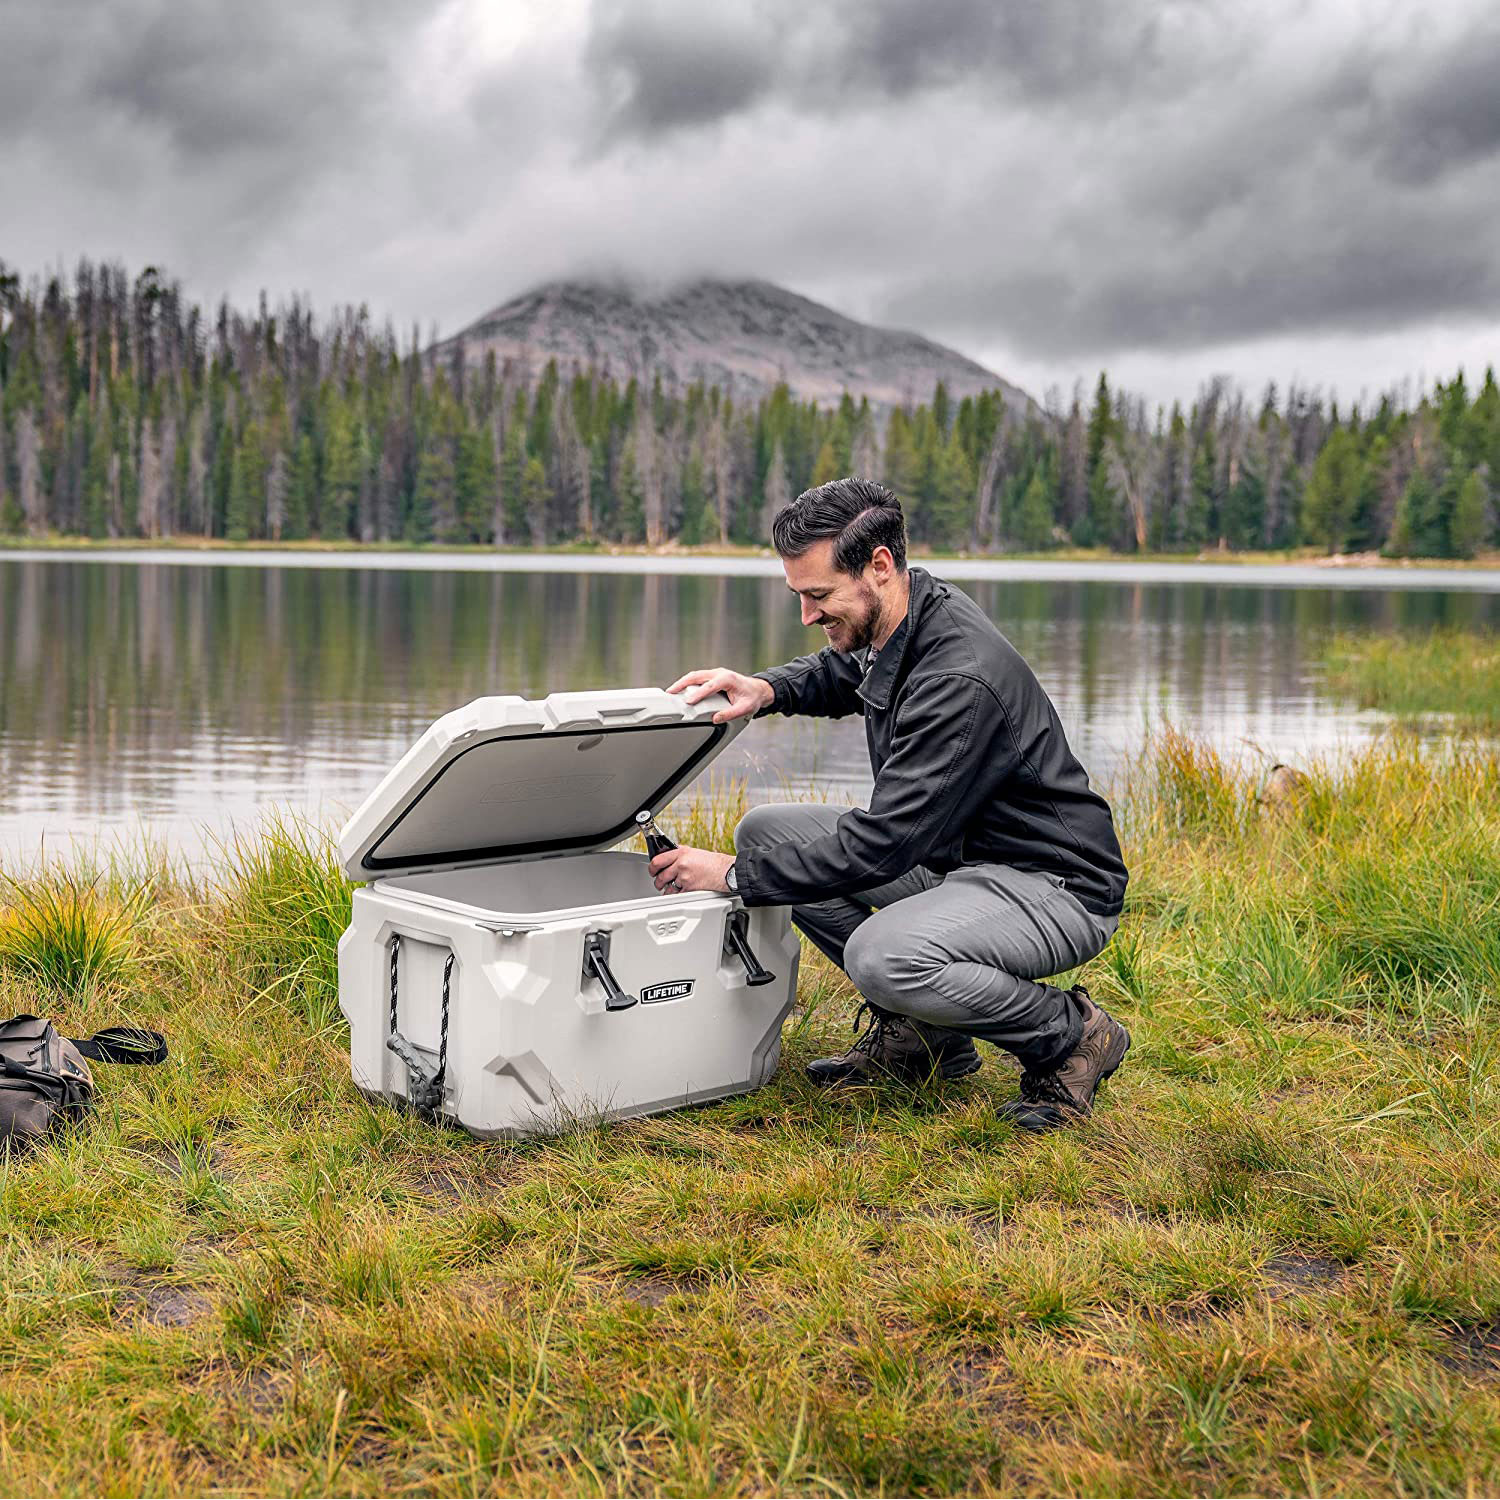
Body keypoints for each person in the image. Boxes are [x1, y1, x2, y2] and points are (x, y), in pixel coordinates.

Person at [652, 477, 1130, 1132]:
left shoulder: (957, 673)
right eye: (799, 596)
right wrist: (764, 689)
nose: (808, 615)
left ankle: (1069, 1035)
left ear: (879, 565)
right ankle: (925, 1036)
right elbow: (845, 671)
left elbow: (884, 846)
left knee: (883, 955)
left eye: (818, 596)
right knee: (768, 832)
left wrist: (733, 877)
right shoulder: (904, 615)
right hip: (960, 862)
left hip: (1055, 883)